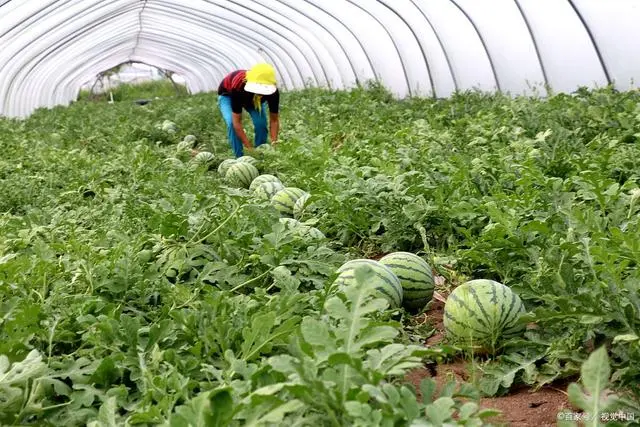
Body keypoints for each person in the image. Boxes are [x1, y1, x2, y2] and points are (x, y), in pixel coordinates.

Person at [217, 63, 280, 157]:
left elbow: (274, 120)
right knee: (231, 123)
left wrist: (274, 142)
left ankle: (261, 153)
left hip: (251, 98)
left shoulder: (273, 93)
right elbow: (236, 123)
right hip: (228, 96)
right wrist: (249, 148)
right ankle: (240, 157)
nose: (260, 93)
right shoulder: (238, 87)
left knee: (261, 123)